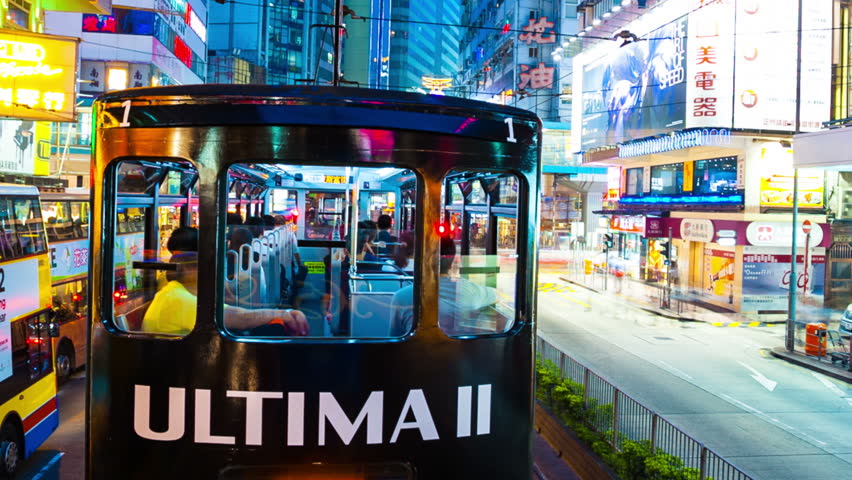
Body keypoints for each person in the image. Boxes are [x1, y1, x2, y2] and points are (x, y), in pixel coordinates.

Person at [142, 230, 308, 336]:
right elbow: (239, 318)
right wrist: (282, 314)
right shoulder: (177, 299)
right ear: (190, 270)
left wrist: (282, 313)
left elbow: (235, 312)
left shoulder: (180, 293)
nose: (212, 271)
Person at [389, 236, 497, 336]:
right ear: (452, 261)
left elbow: (396, 339)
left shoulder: (401, 297)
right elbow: (497, 296)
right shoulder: (472, 291)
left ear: (421, 260)